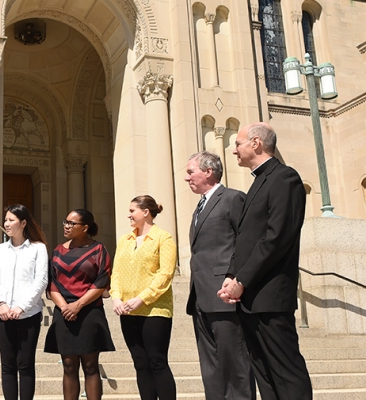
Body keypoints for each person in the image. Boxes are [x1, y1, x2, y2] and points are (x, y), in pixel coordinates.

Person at [218, 122, 312, 400]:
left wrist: (242, 279)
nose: (234, 149)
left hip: (270, 295)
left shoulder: (285, 178)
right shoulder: (257, 182)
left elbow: (277, 237)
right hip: (249, 299)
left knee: (286, 372)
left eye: (238, 143)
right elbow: (245, 239)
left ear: (256, 143)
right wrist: (231, 274)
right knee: (264, 373)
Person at [184, 152, 254, 400]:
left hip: (225, 295)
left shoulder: (233, 198)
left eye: (191, 171)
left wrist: (235, 278)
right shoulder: (199, 207)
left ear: (208, 171)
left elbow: (246, 243)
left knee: (234, 364)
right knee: (210, 367)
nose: (186, 177)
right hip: (201, 297)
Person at [44, 209, 115, 400]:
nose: (66, 226)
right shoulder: (58, 250)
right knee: (68, 366)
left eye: (71, 223)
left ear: (85, 228)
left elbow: (102, 281)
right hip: (63, 312)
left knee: (91, 366)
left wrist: (78, 305)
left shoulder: (98, 250)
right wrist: (65, 307)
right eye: (65, 221)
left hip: (90, 312)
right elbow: (52, 283)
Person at [111, 195, 177, 400]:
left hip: (155, 310)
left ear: (145, 212)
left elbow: (165, 274)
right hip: (127, 311)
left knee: (157, 361)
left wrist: (141, 299)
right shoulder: (125, 240)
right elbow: (117, 273)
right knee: (140, 362)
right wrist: (116, 298)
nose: (128, 214)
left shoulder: (163, 237)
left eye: (132, 211)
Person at [0, 204, 49, 400]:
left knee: (25, 364)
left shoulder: (38, 248)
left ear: (23, 223)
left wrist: (22, 306)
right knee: (7, 365)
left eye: (11, 220)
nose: (7, 224)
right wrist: (1, 303)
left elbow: (41, 280)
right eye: (5, 220)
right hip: (2, 314)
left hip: (28, 314)